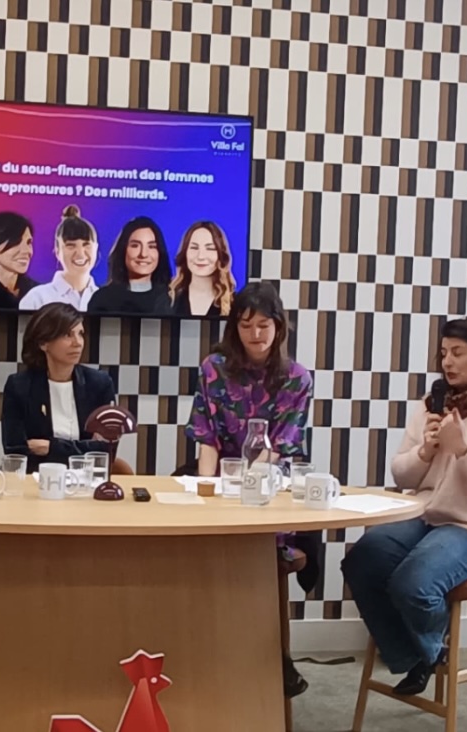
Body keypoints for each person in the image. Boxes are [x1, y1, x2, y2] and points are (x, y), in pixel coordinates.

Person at [342, 318, 467, 696]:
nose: (447, 362)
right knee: (362, 559)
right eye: (443, 353)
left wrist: (464, 451)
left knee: (414, 583)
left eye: (458, 353)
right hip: (426, 515)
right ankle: (418, 656)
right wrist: (426, 450)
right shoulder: (434, 404)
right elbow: (403, 476)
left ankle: (431, 651)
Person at [183, 281, 315, 698]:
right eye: (246, 326)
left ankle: (275, 659)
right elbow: (205, 436)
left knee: (258, 554)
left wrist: (246, 486)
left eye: (264, 325)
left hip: (270, 482)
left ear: (279, 327)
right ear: (233, 328)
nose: (256, 335)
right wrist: (209, 490)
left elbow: (280, 446)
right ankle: (200, 652)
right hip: (221, 475)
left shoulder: (297, 379)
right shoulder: (213, 368)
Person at [1, 302, 117, 472]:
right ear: (43, 343)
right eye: (67, 335)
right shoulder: (19, 386)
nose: (77, 343)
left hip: (86, 481)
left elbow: (106, 450)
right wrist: (83, 447)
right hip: (36, 482)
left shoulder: (99, 384)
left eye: (80, 334)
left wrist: (51, 448)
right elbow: (15, 451)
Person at [18, 204, 99, 311]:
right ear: (57, 250)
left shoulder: (107, 300)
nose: (80, 253)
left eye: (86, 244)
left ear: (96, 248)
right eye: (71, 245)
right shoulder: (36, 299)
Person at [87, 216, 174, 315]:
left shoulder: (171, 298)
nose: (143, 254)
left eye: (152, 246)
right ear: (123, 250)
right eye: (135, 245)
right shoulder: (102, 299)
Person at [169, 220, 236, 317]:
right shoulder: (169, 298)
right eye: (194, 248)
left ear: (220, 256)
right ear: (185, 253)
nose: (200, 256)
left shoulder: (235, 303)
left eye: (210, 249)